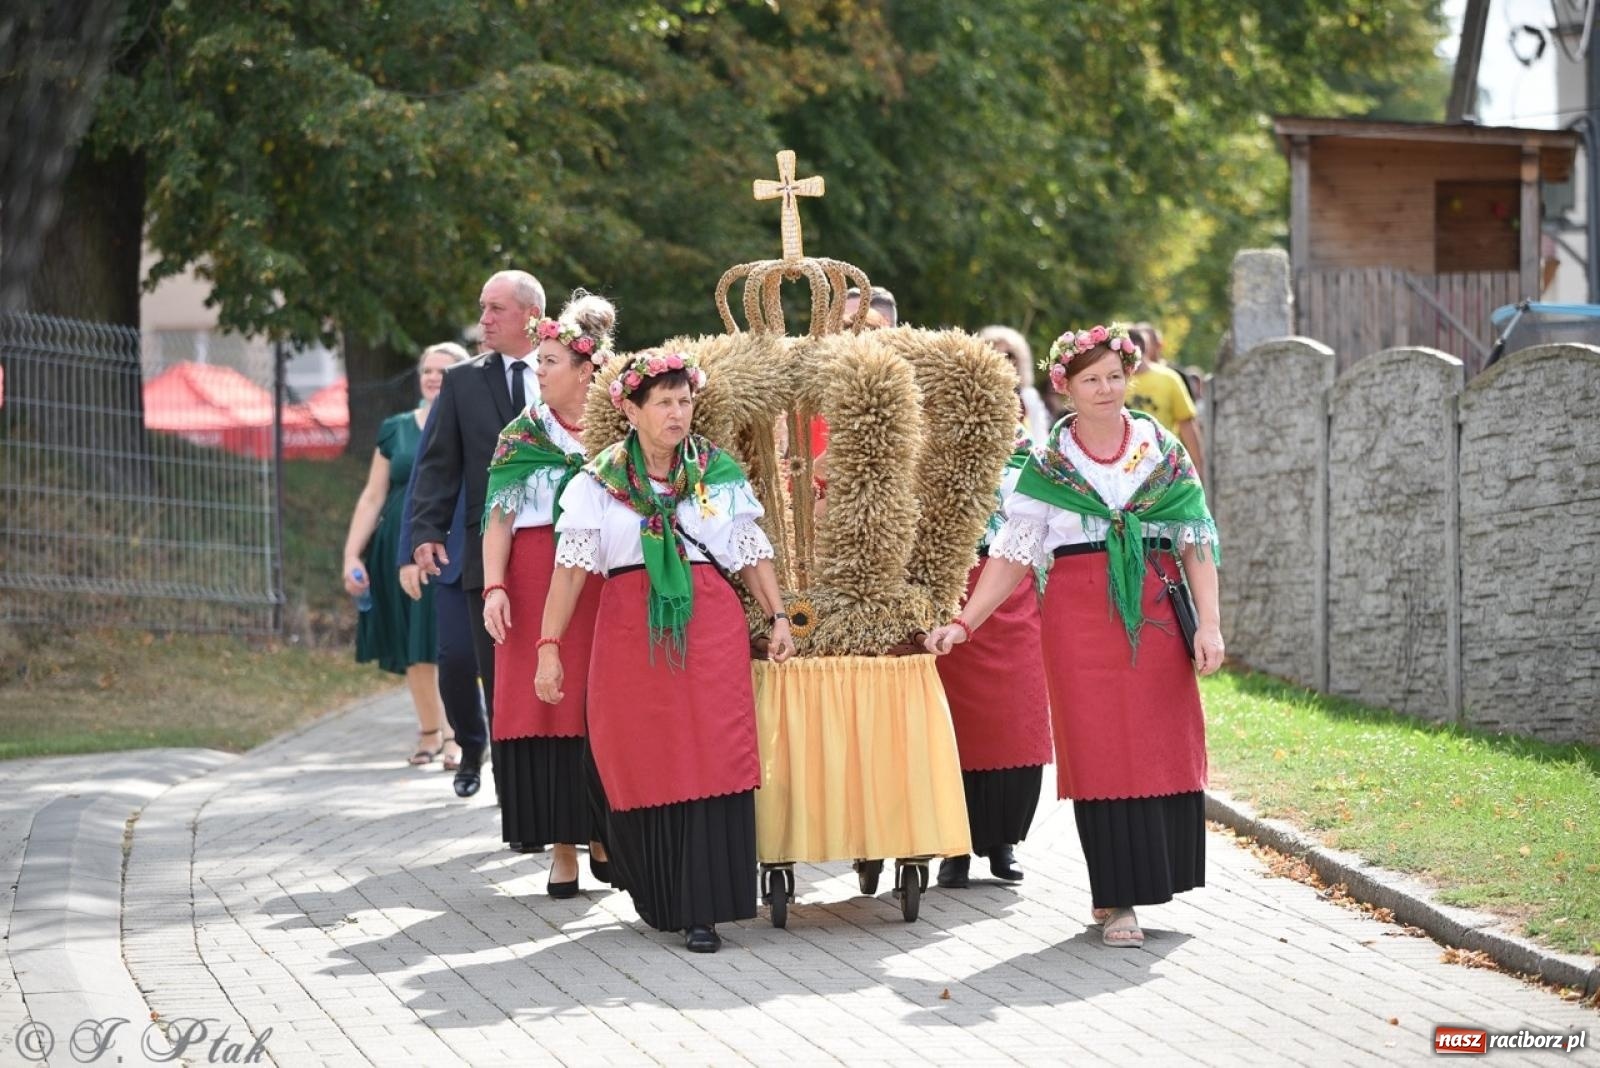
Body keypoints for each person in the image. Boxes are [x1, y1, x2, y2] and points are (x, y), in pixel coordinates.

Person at [925, 322, 1224, 950]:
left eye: (1115, 376)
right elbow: (1012, 553)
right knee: (1101, 753)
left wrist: (1212, 626)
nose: (1106, 389)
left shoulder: (1160, 448)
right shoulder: (1049, 463)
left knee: (1161, 740)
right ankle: (1116, 899)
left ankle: (1154, 878)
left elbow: (1195, 537)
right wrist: (964, 621)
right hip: (1078, 614)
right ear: (1064, 387)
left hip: (1156, 605)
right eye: (1091, 380)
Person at [535, 349, 796, 953]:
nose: (677, 414)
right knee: (642, 753)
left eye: (684, 401)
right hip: (631, 631)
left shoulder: (715, 471)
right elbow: (570, 574)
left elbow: (749, 551)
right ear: (630, 409)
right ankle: (658, 888)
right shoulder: (595, 483)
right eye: (663, 403)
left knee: (712, 752)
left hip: (709, 628)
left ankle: (704, 907)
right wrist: (549, 648)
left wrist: (779, 615)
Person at [480, 292, 616, 895]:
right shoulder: (521, 434)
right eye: (538, 360)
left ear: (586, 370)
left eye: (550, 361)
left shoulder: (617, 427)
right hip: (535, 577)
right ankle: (561, 846)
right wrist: (493, 588)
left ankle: (605, 833)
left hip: (604, 575)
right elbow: (498, 518)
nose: (538, 370)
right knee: (546, 704)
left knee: (603, 703)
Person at [410, 269, 546, 803]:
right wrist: (425, 528)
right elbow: (439, 463)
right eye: (482, 308)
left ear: (531, 317)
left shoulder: (571, 371)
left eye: (495, 309)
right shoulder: (464, 380)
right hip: (482, 550)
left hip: (562, 550)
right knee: (493, 674)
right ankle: (513, 801)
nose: (483, 320)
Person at [933, 421, 1053, 889]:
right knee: (957, 723)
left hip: (1014, 591)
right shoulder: (934, 446)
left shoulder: (1029, 451)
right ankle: (954, 847)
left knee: (1015, 720)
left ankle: (1002, 841)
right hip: (955, 586)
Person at [342, 343, 465, 765]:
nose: (432, 377)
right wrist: (351, 556)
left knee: (445, 642)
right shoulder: (395, 428)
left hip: (445, 547)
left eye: (443, 372)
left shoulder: (467, 424)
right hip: (396, 547)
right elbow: (372, 496)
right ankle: (429, 733)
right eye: (427, 370)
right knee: (414, 643)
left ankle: (457, 735)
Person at [1125, 322, 1205, 481]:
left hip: (1164, 462)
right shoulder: (1113, 382)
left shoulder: (1169, 378)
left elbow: (1187, 425)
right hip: (1127, 465)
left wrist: (1197, 468)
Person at [979, 325, 1051, 442]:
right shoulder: (974, 392)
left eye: (1009, 355)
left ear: (1019, 360)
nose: (1001, 359)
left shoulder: (1028, 396)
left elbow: (1040, 438)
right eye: (994, 352)